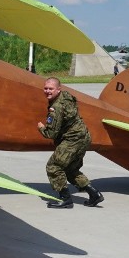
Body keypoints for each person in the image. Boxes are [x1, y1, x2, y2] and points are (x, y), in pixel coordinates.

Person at [36, 78, 104, 209]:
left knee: (54, 166)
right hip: (83, 137)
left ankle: (65, 199)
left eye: (51, 89)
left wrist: (40, 127)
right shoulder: (66, 96)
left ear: (58, 89)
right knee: (70, 169)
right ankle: (94, 194)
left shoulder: (56, 108)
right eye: (45, 88)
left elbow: (51, 134)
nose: (47, 91)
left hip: (73, 140)